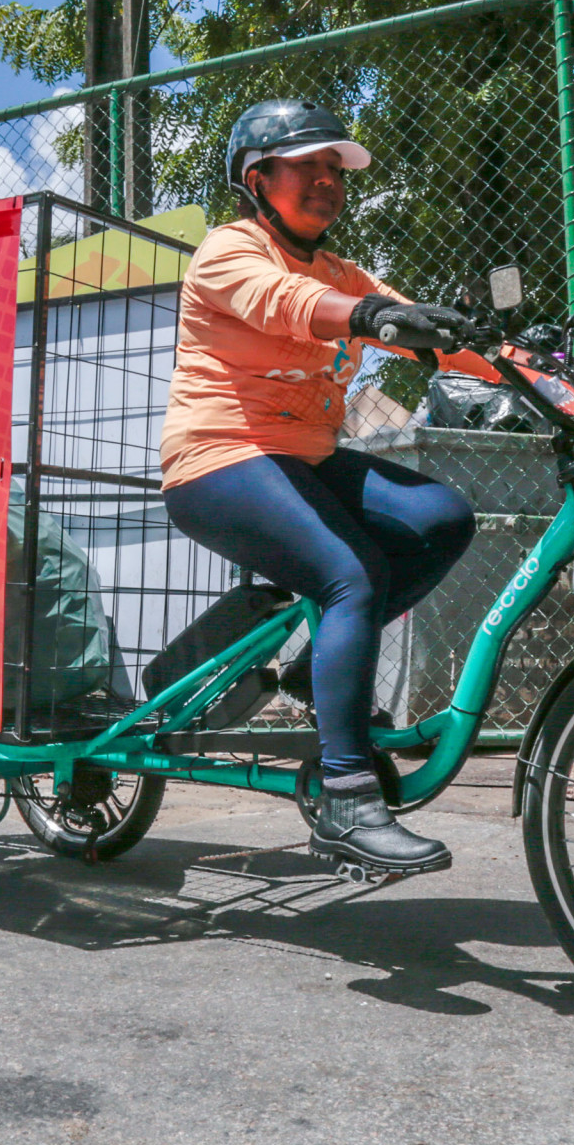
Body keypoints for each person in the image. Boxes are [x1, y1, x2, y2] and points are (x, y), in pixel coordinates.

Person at [160, 99, 501, 876]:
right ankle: (347, 800)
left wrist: (538, 369)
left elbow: (423, 331)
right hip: (218, 458)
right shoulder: (228, 250)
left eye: (333, 168)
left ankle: (316, 674)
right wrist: (376, 318)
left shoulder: (345, 272)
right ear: (257, 178)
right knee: (350, 573)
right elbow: (295, 307)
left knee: (441, 517)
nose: (326, 179)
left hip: (303, 458)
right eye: (307, 166)